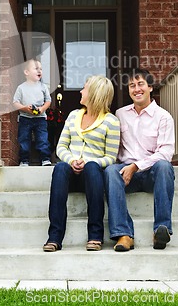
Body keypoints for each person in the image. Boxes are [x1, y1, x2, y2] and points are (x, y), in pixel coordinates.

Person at [43, 75, 120, 252]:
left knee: (93, 167)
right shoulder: (73, 116)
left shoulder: (111, 121)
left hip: (93, 178)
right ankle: (54, 237)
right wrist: (71, 160)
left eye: (84, 88)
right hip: (70, 174)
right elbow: (61, 147)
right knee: (60, 167)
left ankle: (95, 235)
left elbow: (111, 157)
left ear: (94, 93)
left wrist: (88, 162)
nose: (80, 91)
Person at [104, 68, 175, 252]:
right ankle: (123, 234)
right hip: (127, 176)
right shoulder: (120, 114)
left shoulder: (163, 117)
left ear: (150, 87)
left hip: (152, 174)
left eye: (140, 84)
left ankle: (162, 228)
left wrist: (136, 166)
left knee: (164, 166)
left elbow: (166, 152)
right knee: (111, 171)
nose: (136, 89)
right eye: (132, 85)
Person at [13, 58, 52, 166]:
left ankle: (45, 159)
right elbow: (15, 102)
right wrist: (25, 108)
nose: (39, 71)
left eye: (41, 69)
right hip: (25, 118)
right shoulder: (21, 88)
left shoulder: (43, 87)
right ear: (26, 72)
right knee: (24, 139)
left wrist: (42, 109)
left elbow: (48, 101)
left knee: (42, 139)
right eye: (36, 69)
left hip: (40, 118)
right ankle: (24, 160)